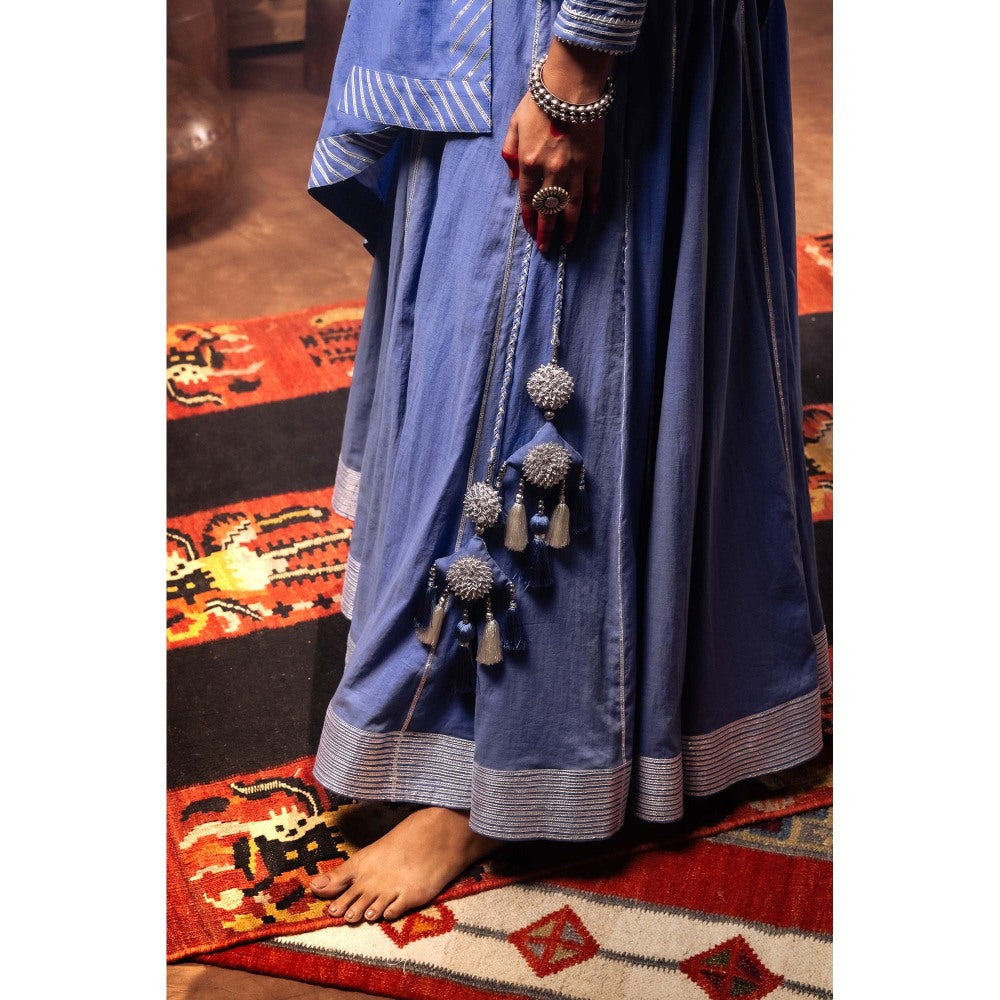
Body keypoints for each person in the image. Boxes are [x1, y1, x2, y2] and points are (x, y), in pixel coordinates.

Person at [305, 0, 830, 926]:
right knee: (482, 320)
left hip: (580, 36)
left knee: (545, 341)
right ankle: (678, 680)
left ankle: (496, 772)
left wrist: (579, 64)